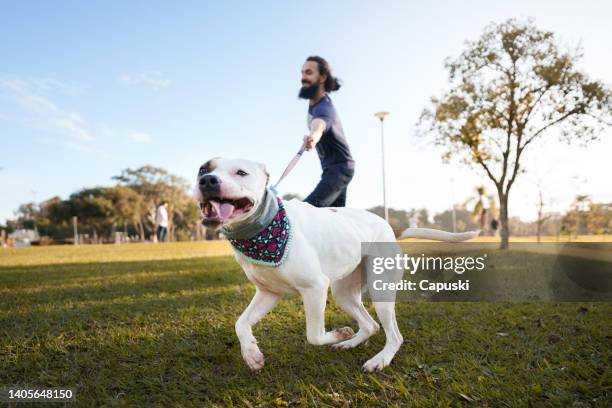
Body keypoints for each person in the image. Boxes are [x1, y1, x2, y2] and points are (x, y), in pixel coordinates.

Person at [299, 56, 355, 207]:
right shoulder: (314, 104)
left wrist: (313, 137)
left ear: (322, 77)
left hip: (340, 169)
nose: (303, 77)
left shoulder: (324, 107)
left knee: (308, 211)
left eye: (309, 73)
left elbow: (320, 124)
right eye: (302, 73)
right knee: (335, 218)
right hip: (333, 169)